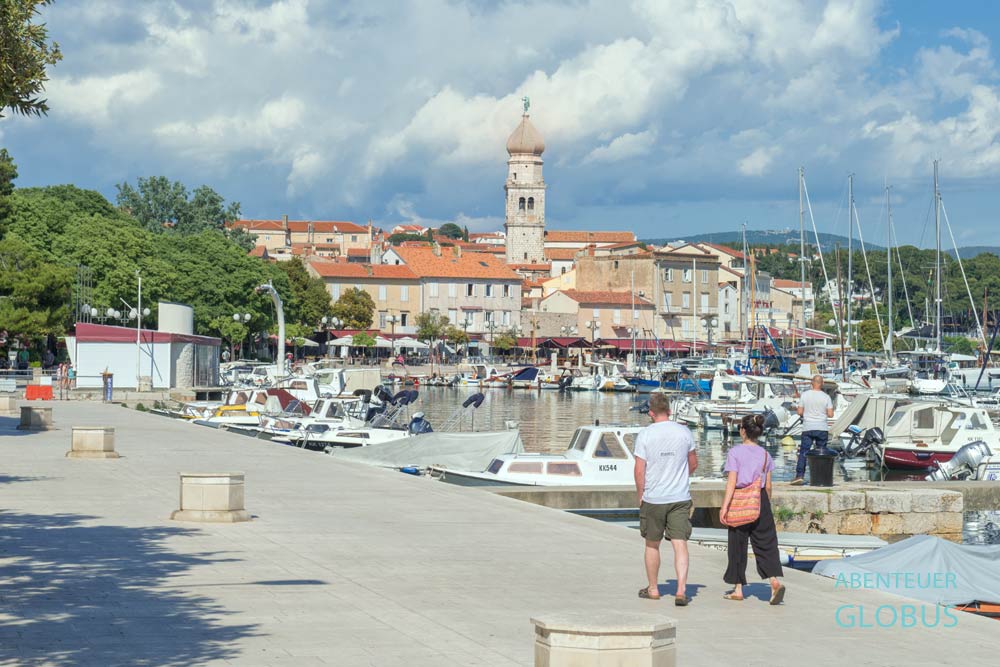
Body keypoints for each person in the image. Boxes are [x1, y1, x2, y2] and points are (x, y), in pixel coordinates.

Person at [634, 393, 698, 606]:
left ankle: (653, 588)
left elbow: (639, 469)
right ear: (669, 411)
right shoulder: (685, 432)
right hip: (679, 496)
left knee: (652, 544)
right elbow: (693, 463)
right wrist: (678, 477)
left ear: (651, 413)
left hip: (654, 496)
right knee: (680, 544)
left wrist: (640, 494)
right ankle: (681, 590)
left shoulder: (645, 435)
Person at [720, 413, 785, 604]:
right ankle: (774, 581)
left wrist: (724, 507)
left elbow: (731, 482)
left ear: (742, 431)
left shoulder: (735, 452)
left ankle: (738, 589)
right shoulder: (765, 454)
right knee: (766, 543)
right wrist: (765, 504)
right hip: (761, 499)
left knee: (737, 545)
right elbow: (769, 485)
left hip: (740, 500)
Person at [791, 374, 834, 485]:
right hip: (822, 428)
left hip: (808, 427)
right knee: (821, 453)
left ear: (812, 383)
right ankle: (820, 478)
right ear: (822, 383)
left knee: (804, 452)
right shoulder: (826, 397)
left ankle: (799, 476)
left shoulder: (805, 395)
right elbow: (830, 414)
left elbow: (800, 412)